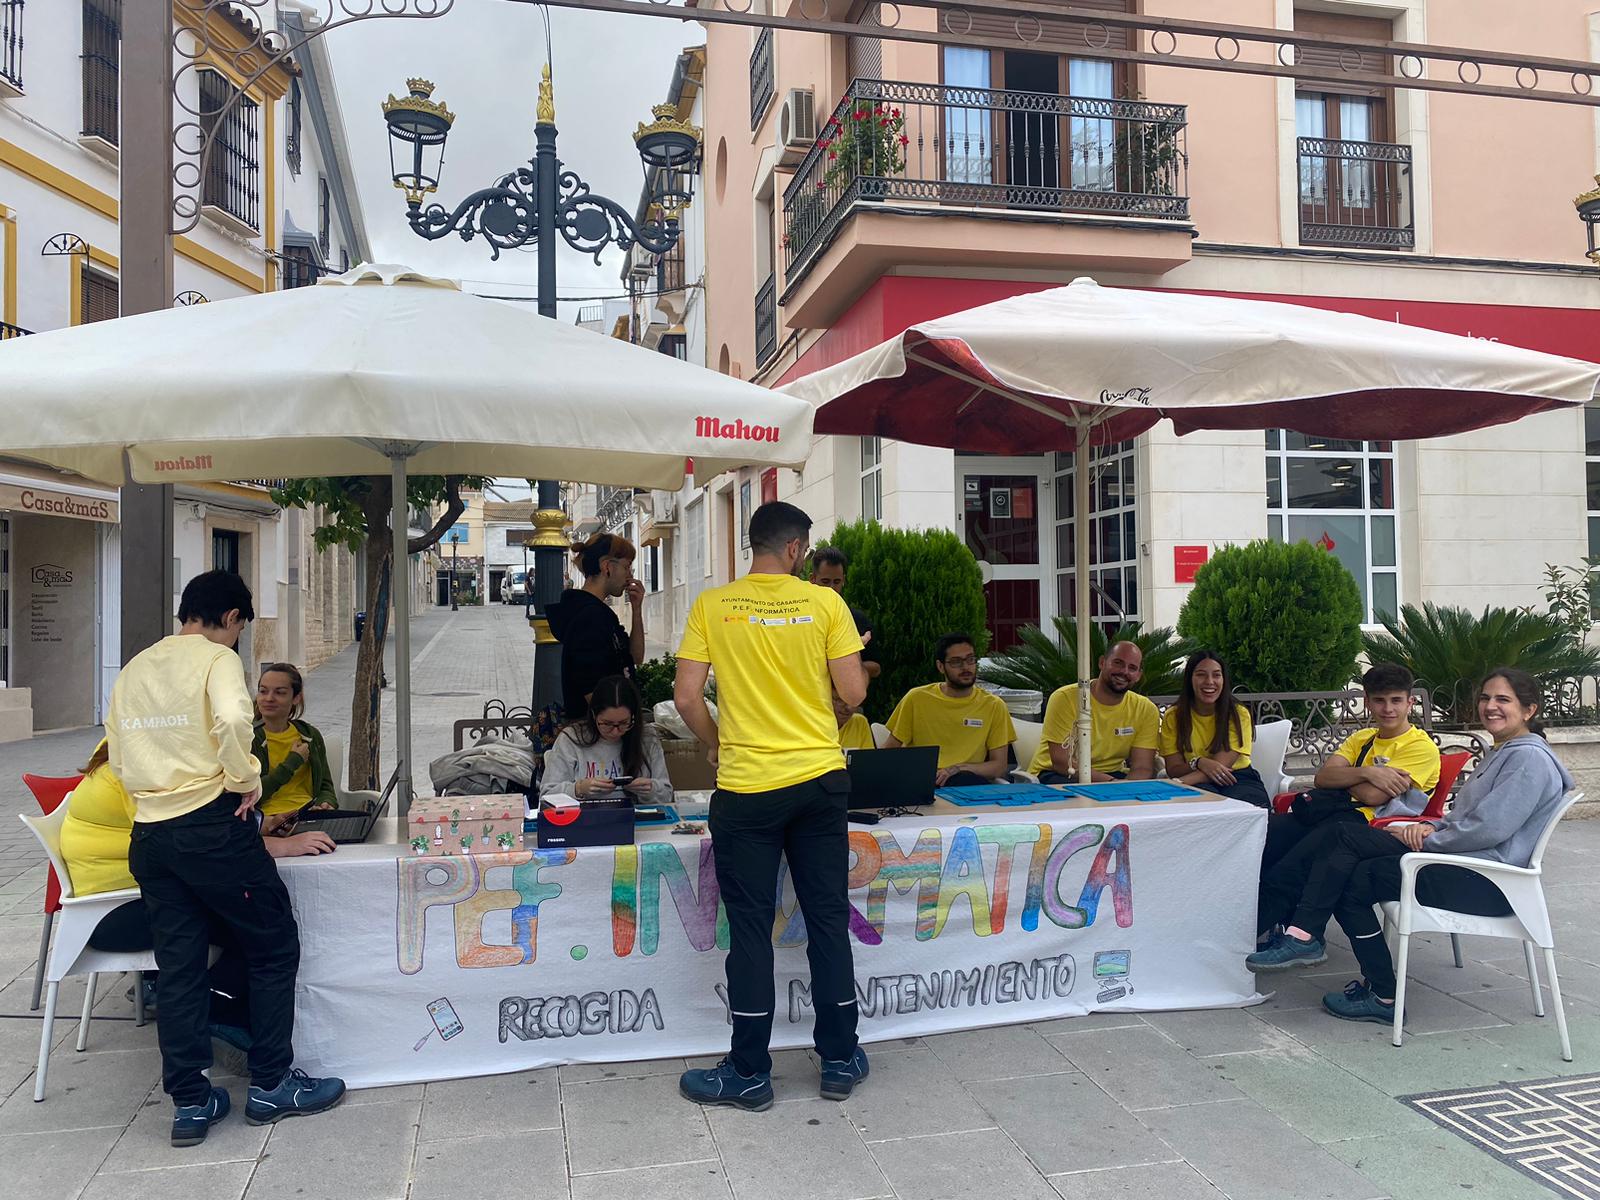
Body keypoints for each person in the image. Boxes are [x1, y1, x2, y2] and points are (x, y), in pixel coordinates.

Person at [108, 570, 344, 1147]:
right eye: (241, 627)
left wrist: (149, 794)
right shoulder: (216, 660)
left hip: (150, 834)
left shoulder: (137, 666)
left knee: (179, 965)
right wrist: (246, 780)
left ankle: (191, 1102)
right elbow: (236, 720)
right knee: (273, 943)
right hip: (211, 825)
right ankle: (271, 1084)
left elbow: (116, 749)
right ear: (233, 618)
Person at [673, 501, 869, 1111]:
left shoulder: (713, 605)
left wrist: (717, 743)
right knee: (828, 920)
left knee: (751, 930)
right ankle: (839, 1058)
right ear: (795, 548)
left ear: (752, 545)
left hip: (747, 787)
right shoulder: (826, 604)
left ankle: (750, 1072)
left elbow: (686, 698)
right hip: (818, 782)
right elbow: (854, 692)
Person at [1247, 669, 1572, 1031]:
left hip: (1486, 882)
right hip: (1464, 864)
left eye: (1503, 700)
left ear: (1529, 710)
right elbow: (1469, 820)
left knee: (1342, 841)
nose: (1490, 706)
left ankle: (1304, 935)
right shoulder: (1506, 752)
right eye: (1485, 697)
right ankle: (1376, 991)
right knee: (1347, 870)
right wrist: (1430, 827)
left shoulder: (1528, 760)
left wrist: (1427, 838)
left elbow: (1488, 829)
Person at [61, 740, 335, 1057]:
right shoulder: (138, 774)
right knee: (261, 925)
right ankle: (223, 1015)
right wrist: (282, 846)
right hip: (114, 914)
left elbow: (195, 831)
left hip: (119, 899)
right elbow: (197, 842)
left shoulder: (126, 752)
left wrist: (261, 825)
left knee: (247, 916)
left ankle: (221, 1013)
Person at [1261, 662, 1440, 873]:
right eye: (1379, 700)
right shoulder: (1361, 738)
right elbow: (1323, 778)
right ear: (1367, 702)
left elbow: (1373, 796)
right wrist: (1368, 772)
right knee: (1262, 834)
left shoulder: (1420, 746)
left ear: (1410, 703)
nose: (1388, 709)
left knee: (1288, 868)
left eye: (1396, 700)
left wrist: (1343, 778)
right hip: (1330, 811)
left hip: (1367, 823)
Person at [883, 635, 1016, 787]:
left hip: (967, 783)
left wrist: (959, 769)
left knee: (965, 780)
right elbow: (889, 752)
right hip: (924, 781)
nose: (965, 667)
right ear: (940, 666)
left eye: (970, 659)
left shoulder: (993, 705)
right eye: (956, 662)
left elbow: (999, 766)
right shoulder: (917, 698)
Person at [1029, 642, 1159, 783]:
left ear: (1138, 675)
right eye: (1118, 663)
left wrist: (1126, 789)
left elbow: (1142, 767)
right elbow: (1061, 761)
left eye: (1132, 668)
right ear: (1102, 663)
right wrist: (1112, 784)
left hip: (1113, 776)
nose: (1124, 671)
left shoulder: (1146, 709)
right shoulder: (1065, 698)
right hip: (1058, 774)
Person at [547, 532, 645, 719]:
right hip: (601, 731)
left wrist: (637, 610)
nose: (630, 575)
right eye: (627, 567)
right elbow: (590, 686)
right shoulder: (589, 617)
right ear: (607, 567)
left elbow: (635, 657)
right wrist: (620, 726)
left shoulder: (599, 613)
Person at [539, 675, 673, 803]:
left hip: (636, 815)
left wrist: (650, 789)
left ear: (634, 717)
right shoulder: (572, 738)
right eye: (607, 724)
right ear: (593, 715)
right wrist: (578, 789)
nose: (615, 731)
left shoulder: (646, 737)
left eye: (623, 723)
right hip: (584, 816)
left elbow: (667, 795)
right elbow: (547, 795)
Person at [1159, 650, 1269, 806]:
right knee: (1203, 808)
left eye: (1216, 675)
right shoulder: (1174, 715)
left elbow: (1221, 767)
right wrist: (1198, 763)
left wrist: (1180, 782)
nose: (1209, 681)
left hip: (1237, 777)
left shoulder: (1238, 713)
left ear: (1224, 680)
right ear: (1190, 679)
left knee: (1249, 808)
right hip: (1196, 779)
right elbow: (1173, 768)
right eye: (1201, 675)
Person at [252, 663, 338, 817]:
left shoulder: (309, 735)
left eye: (280, 692)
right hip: (266, 820)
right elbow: (249, 795)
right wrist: (293, 762)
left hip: (308, 815)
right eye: (263, 691)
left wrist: (326, 802)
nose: (269, 698)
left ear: (296, 698)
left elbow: (325, 786)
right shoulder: (249, 738)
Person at [810, 546, 881, 679]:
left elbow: (875, 667)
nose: (831, 588)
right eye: (825, 581)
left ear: (843, 580)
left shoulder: (857, 619)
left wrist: (847, 665)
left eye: (836, 582)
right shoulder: (802, 618)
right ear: (812, 579)